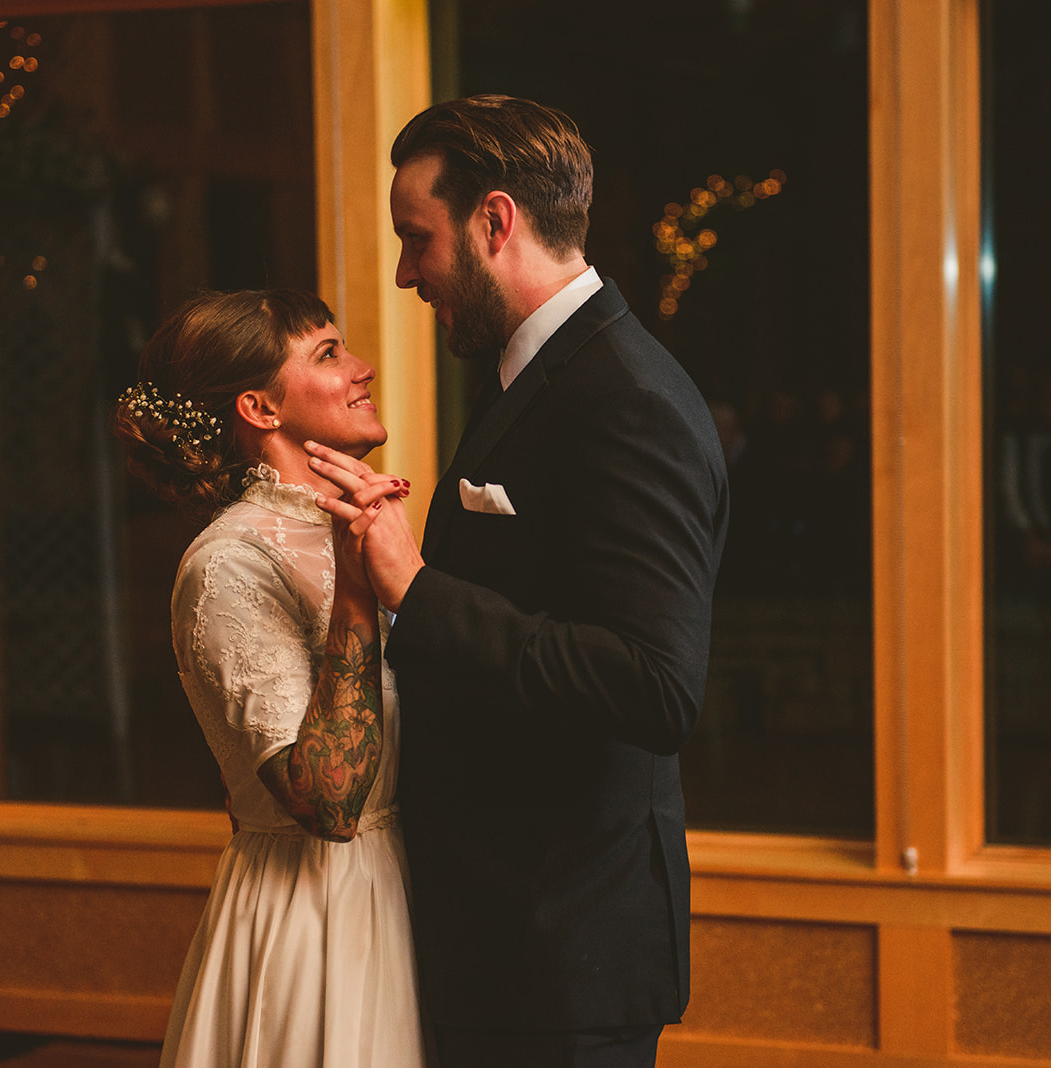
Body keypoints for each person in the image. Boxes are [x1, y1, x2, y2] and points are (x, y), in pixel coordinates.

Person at [313, 95, 729, 1068]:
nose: (407, 272)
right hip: (504, 937)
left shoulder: (626, 400)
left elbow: (654, 685)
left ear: (495, 222)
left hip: (563, 949)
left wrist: (416, 587)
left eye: (417, 238)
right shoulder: (535, 375)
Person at [112, 289, 424, 1068]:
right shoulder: (228, 564)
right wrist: (355, 594)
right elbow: (327, 799)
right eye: (327, 354)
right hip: (313, 918)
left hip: (409, 894)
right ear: (259, 407)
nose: (362, 368)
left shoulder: (365, 528)